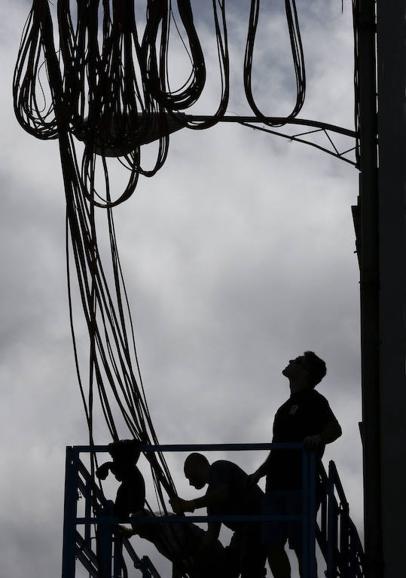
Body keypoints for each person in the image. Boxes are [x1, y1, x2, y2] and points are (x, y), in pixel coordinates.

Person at [249, 351, 342, 578]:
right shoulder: (283, 409)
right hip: (275, 486)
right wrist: (259, 473)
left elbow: (335, 429)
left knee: (302, 545)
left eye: (298, 361)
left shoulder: (315, 400)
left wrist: (318, 438)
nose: (291, 360)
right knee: (272, 543)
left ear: (306, 372)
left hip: (301, 485)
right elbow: (277, 449)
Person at [170, 453, 267, 578]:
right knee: (228, 566)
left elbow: (222, 493)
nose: (190, 483)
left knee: (249, 567)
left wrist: (189, 505)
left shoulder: (218, 467)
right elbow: (212, 535)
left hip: (259, 522)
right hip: (244, 531)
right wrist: (193, 558)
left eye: (190, 476)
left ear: (200, 464)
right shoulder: (211, 501)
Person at [96, 439, 145, 518]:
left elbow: (120, 474)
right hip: (131, 485)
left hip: (133, 487)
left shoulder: (126, 464)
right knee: (123, 507)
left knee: (127, 507)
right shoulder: (124, 464)